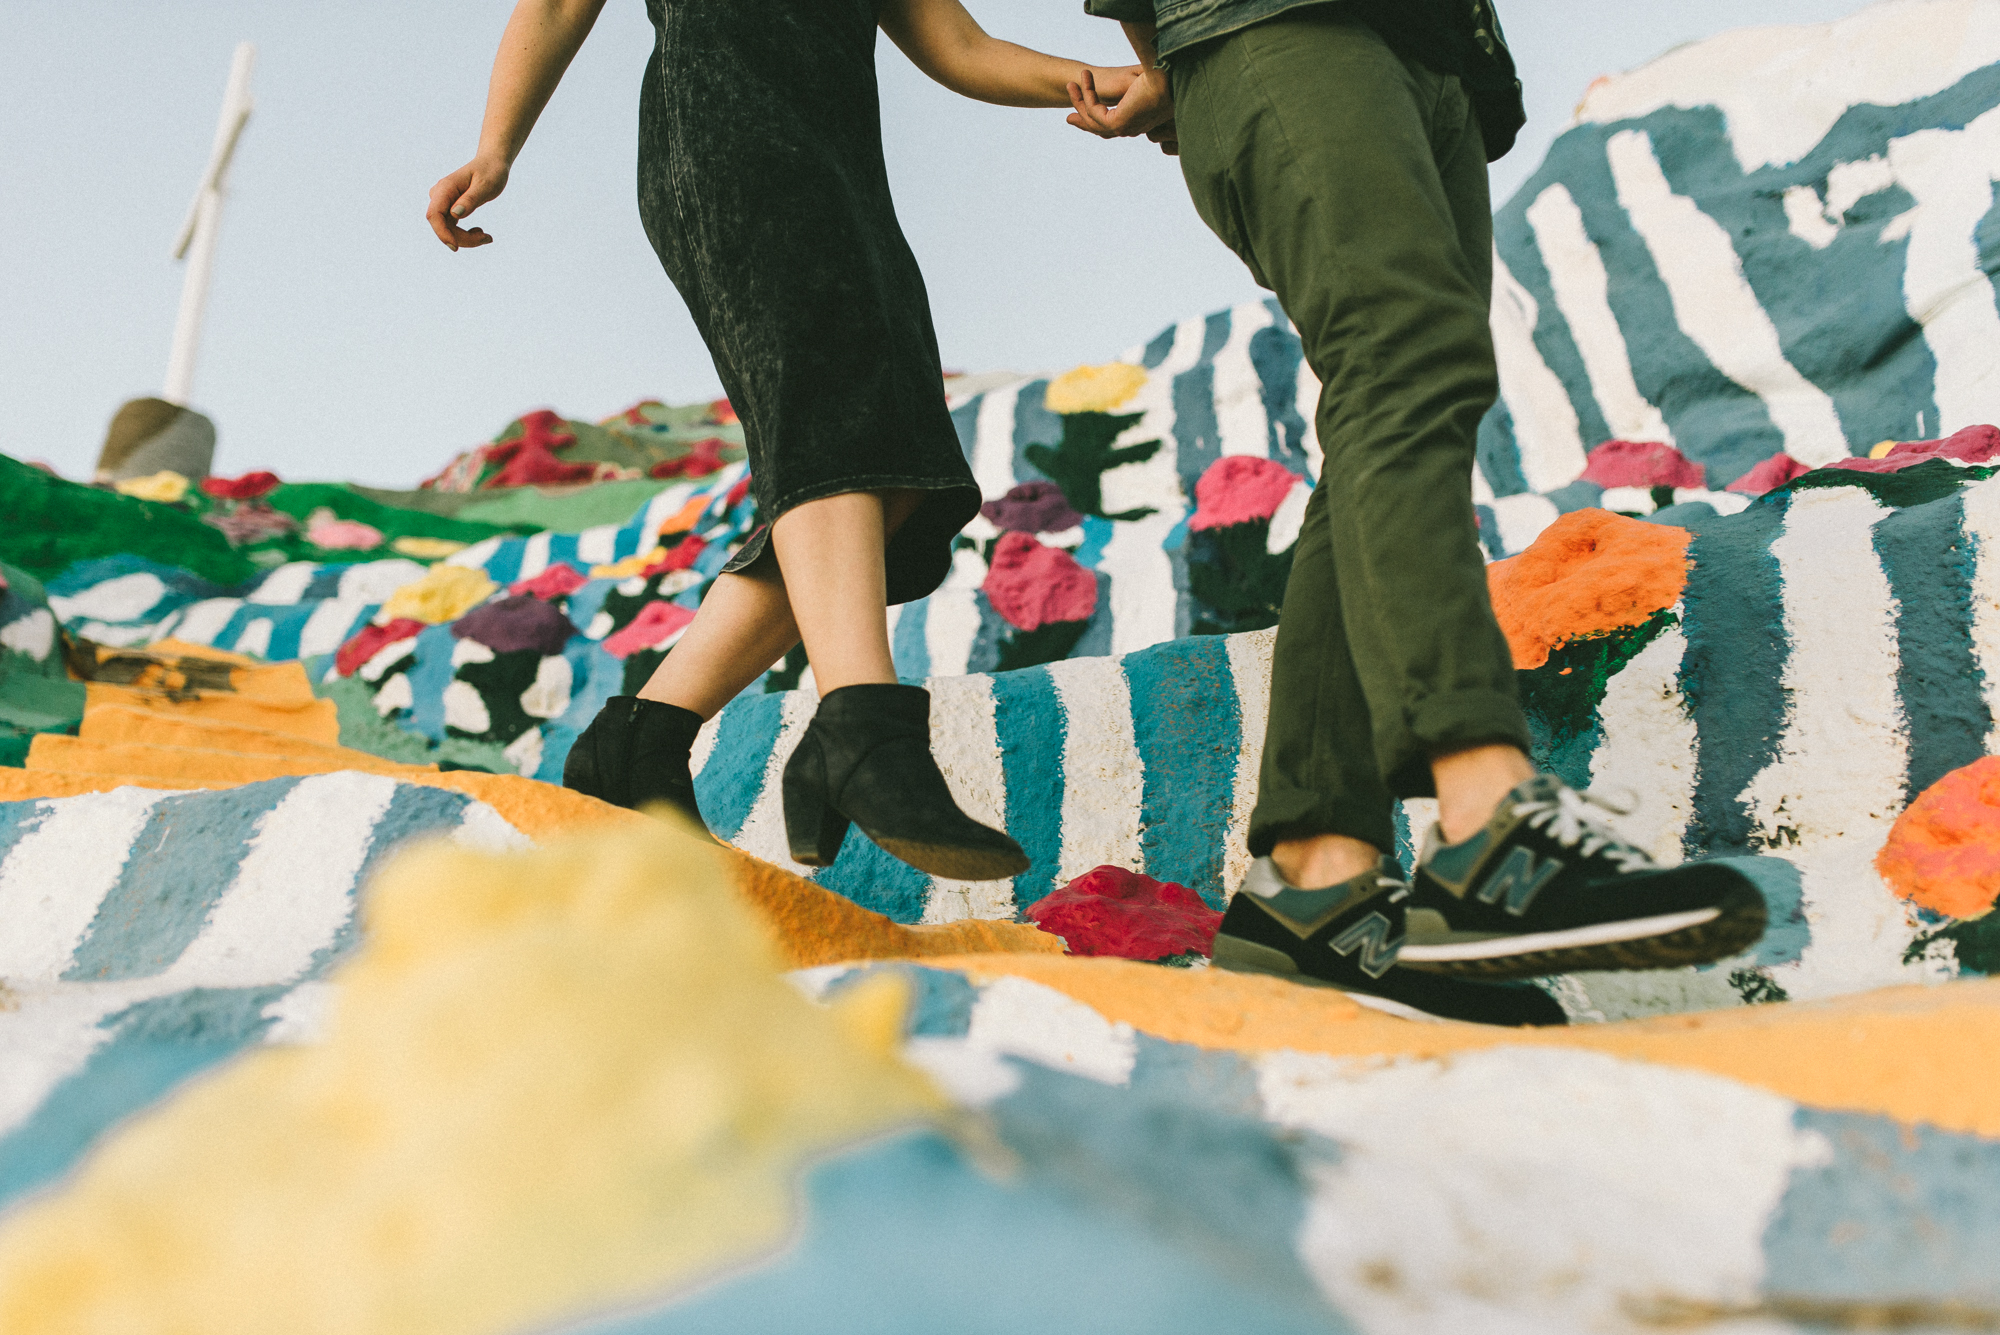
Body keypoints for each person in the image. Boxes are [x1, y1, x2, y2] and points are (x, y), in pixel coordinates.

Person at [1068, 0, 1767, 1024]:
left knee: (1395, 406)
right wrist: (1166, 52)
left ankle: (1316, 880)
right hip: (1273, 24)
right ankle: (1489, 822)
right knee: (1402, 355)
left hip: (1437, 56)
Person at [429, 0, 1139, 880]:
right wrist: (498, 147)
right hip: (728, 143)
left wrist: (1123, 82)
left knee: (899, 470)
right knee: (831, 427)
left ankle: (639, 746)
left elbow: (961, 47)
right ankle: (862, 727)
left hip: (843, 174)